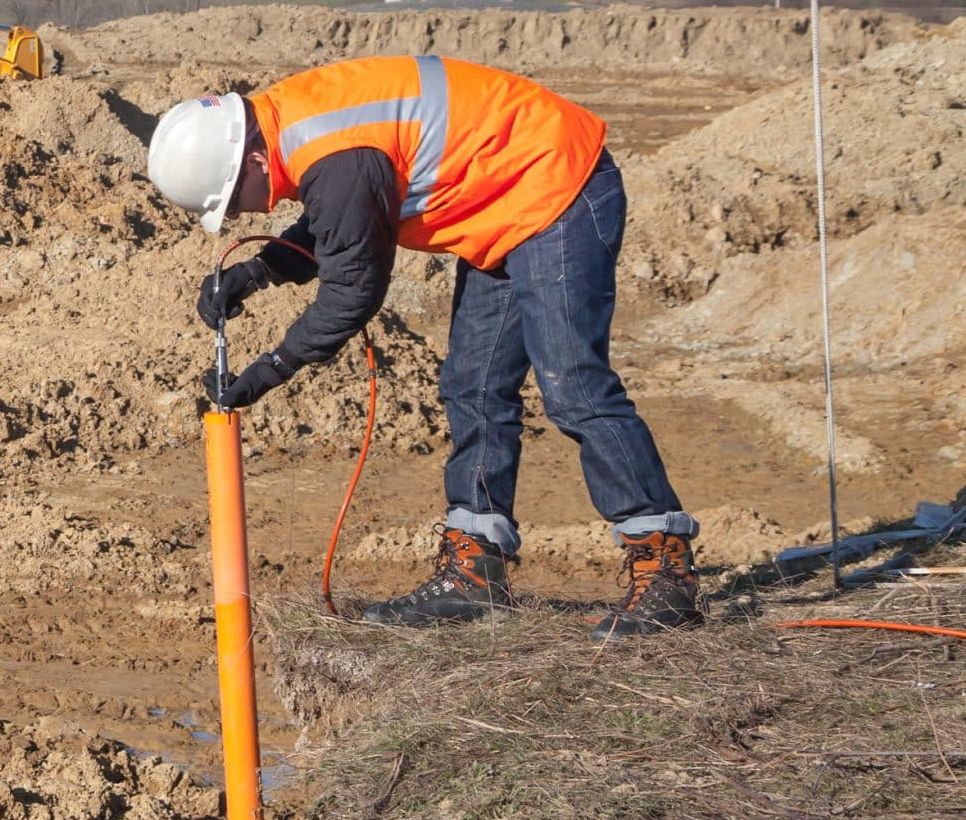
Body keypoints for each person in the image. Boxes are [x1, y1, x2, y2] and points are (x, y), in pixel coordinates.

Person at [145, 56, 699, 638]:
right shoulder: (297, 124)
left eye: (235, 199)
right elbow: (343, 214)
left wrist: (270, 369)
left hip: (555, 186)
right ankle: (476, 572)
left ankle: (664, 570)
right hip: (503, 199)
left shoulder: (332, 152)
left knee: (571, 382)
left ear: (252, 159)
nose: (241, 212)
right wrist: (260, 272)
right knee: (473, 384)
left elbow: (353, 289)